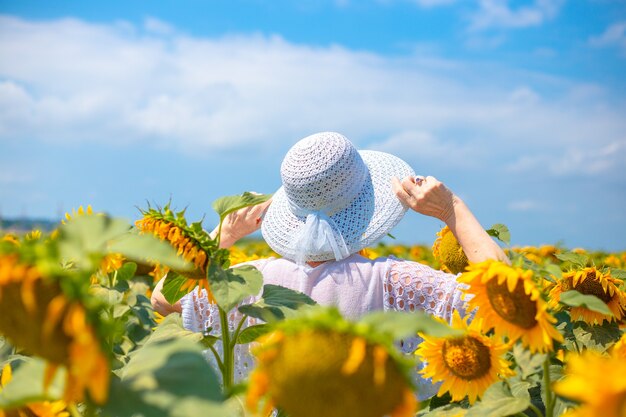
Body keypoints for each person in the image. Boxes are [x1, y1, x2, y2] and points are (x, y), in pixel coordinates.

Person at [151, 131, 509, 396]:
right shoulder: (394, 283)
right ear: (368, 204)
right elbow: (500, 294)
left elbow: (162, 299)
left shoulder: (252, 282)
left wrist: (224, 234)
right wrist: (452, 209)